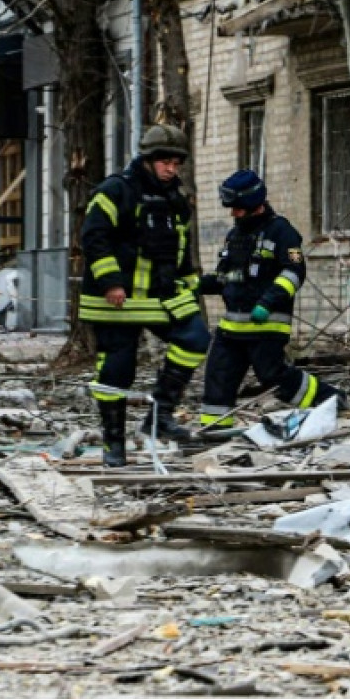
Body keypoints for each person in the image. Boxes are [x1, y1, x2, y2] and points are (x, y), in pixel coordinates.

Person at [79, 124, 210, 467]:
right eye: (165, 162)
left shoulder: (175, 199)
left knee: (195, 337)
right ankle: (114, 443)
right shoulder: (115, 191)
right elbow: (94, 237)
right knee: (116, 372)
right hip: (117, 301)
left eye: (176, 163)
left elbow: (180, 248)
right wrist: (110, 282)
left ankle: (159, 415)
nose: (172, 169)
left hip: (161, 295)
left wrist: (191, 283)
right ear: (148, 160)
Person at [199, 170, 341, 426]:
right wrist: (195, 286)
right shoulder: (235, 236)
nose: (233, 214)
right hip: (231, 329)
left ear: (253, 203)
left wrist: (267, 302)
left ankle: (331, 402)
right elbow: (225, 278)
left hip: (266, 325)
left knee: (275, 378)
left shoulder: (281, 231)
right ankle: (213, 431)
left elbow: (295, 271)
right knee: (218, 378)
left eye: (237, 208)